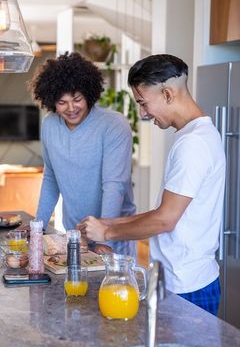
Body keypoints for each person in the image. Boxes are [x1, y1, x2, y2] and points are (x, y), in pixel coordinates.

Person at [78, 54, 226, 315]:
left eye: (144, 103)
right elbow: (164, 213)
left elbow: (165, 220)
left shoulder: (194, 145)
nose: (143, 114)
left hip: (188, 287)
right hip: (181, 280)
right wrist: (106, 223)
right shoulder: (194, 136)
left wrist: (107, 234)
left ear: (168, 94)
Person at [31, 52, 136, 256]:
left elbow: (114, 185)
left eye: (77, 99)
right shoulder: (50, 125)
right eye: (62, 102)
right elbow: (51, 177)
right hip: (75, 235)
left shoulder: (113, 125)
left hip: (113, 234)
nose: (71, 108)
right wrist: (38, 228)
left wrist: (105, 238)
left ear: (88, 93)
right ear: (51, 101)